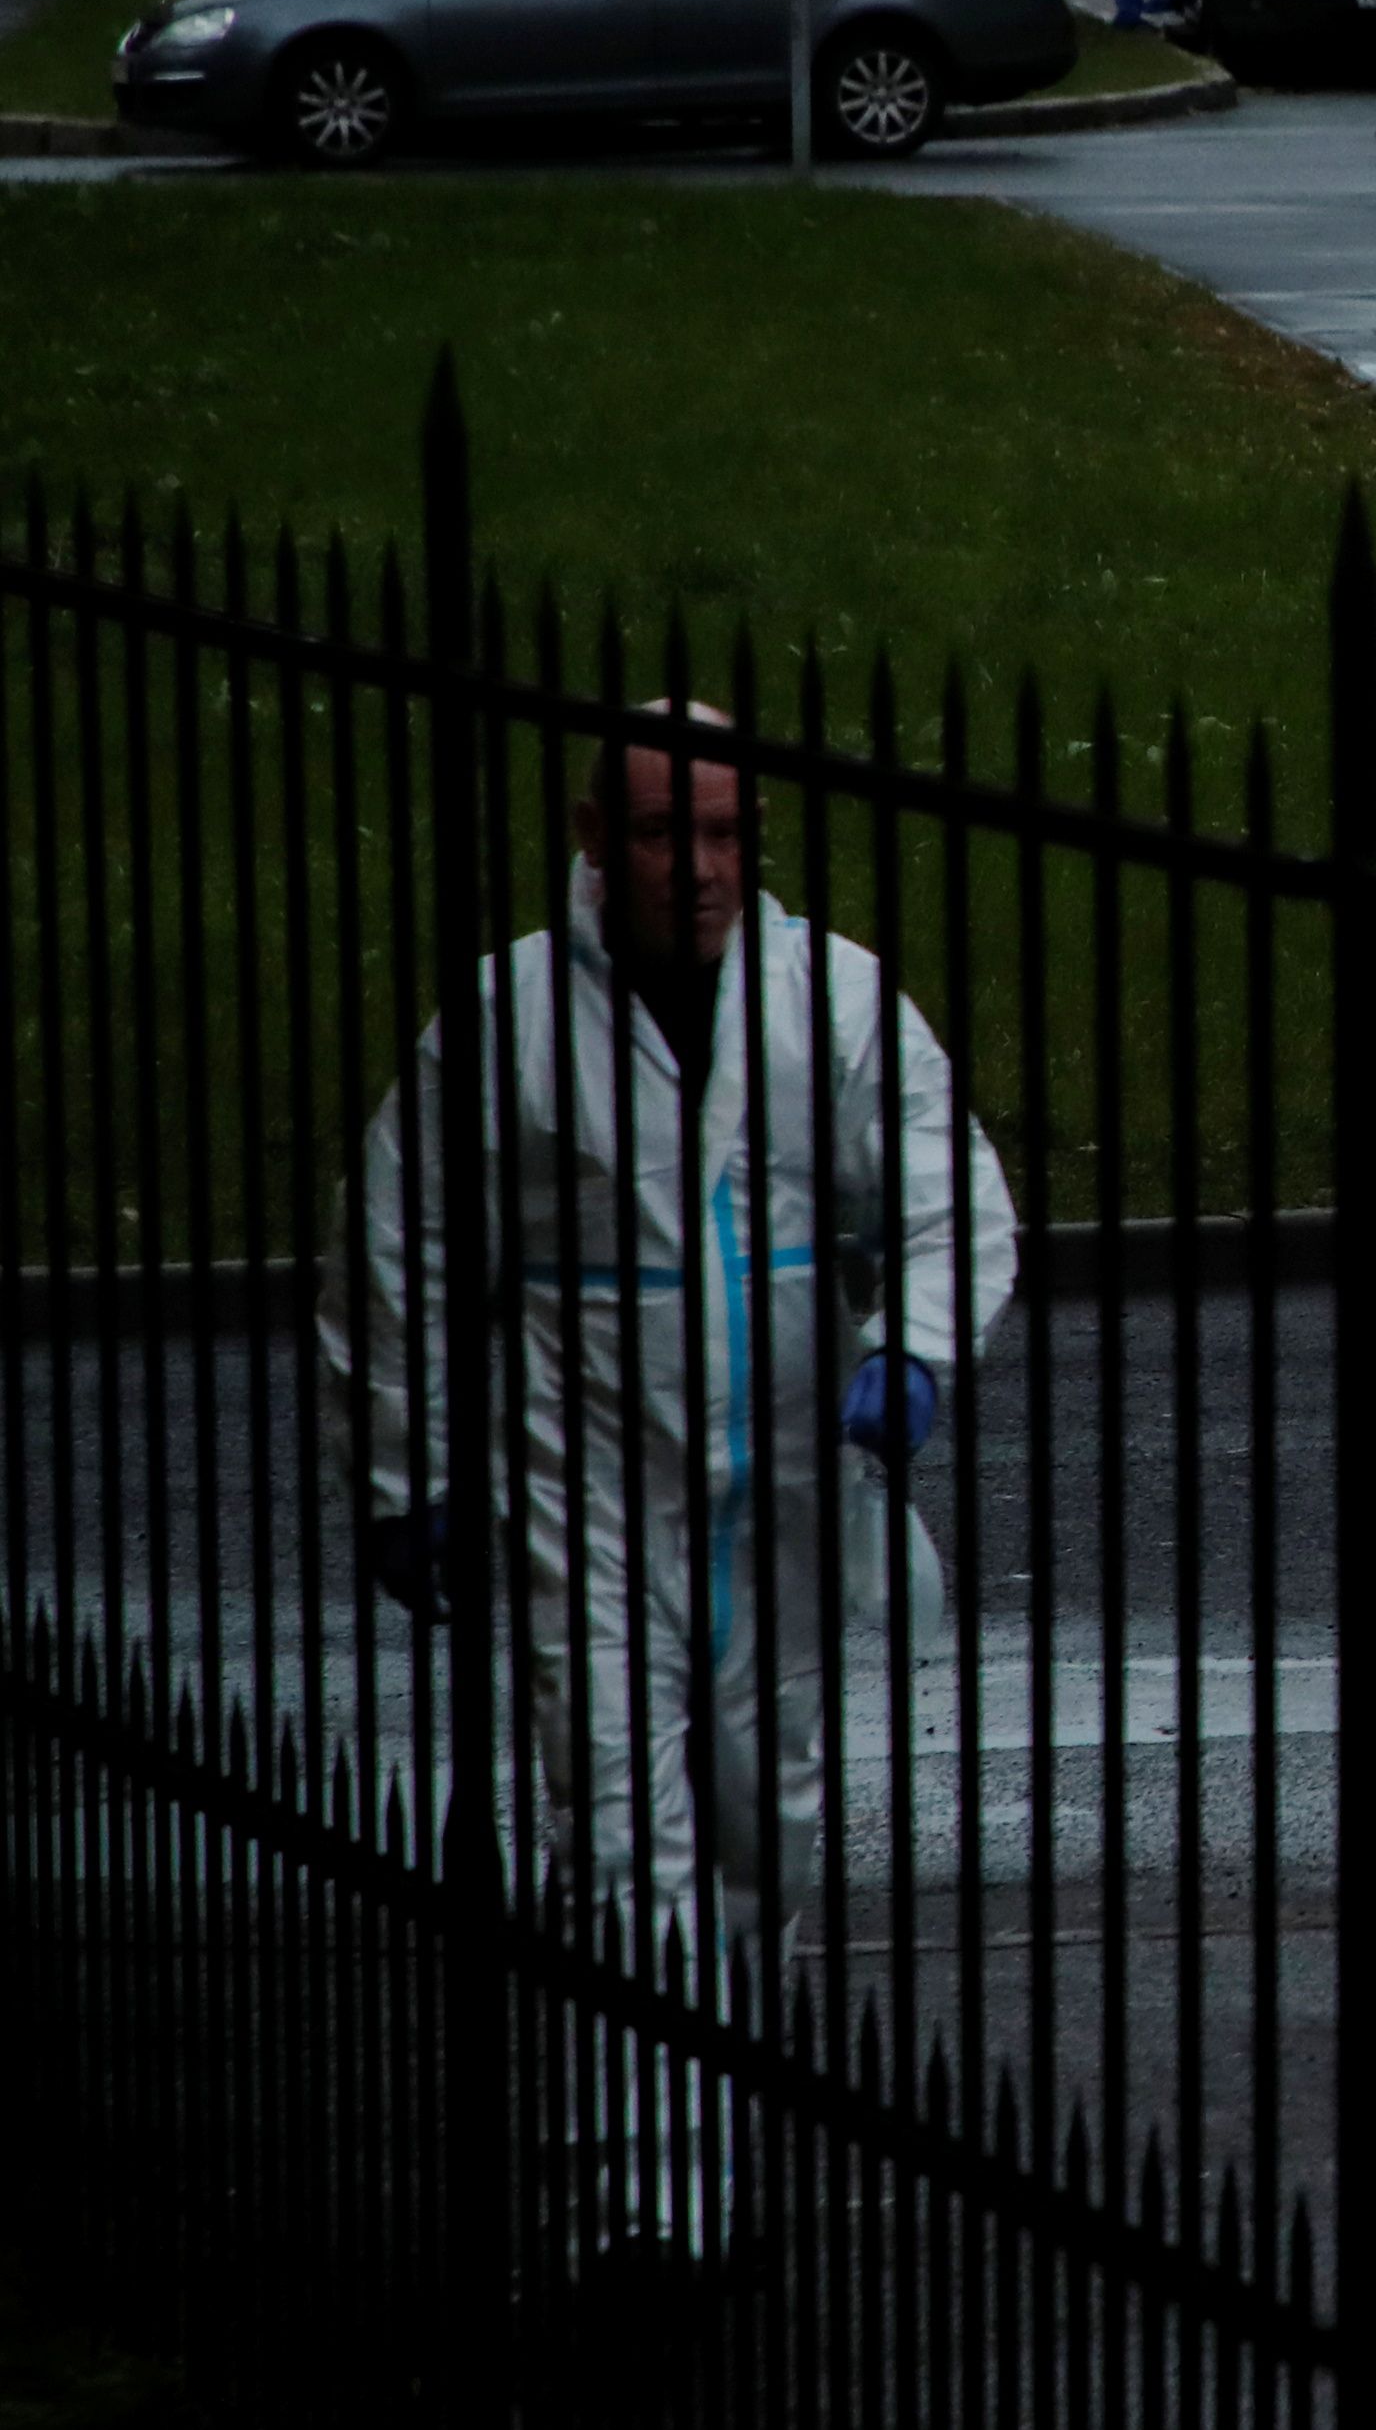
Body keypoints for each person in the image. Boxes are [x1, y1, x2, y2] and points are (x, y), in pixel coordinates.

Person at [322, 699, 1016, 2226]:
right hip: (586, 1469)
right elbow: (401, 1246)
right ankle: (646, 2204)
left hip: (783, 1474)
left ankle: (699, 2128)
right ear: (592, 840)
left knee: (764, 1815)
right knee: (621, 1827)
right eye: (657, 833)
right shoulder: (506, 1022)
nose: (694, 867)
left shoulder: (828, 1001)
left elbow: (943, 1186)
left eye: (719, 833)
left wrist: (912, 1348)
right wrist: (412, 1472)